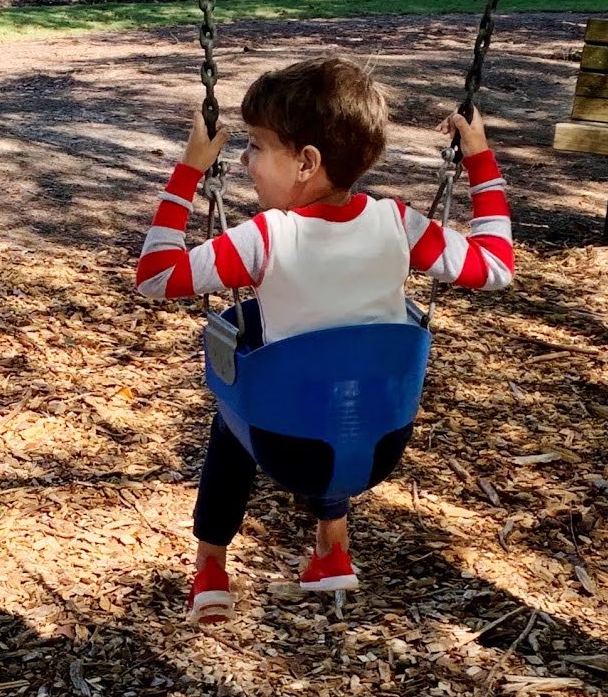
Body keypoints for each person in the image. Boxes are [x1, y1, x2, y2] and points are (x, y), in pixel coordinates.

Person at [135, 57, 513, 622]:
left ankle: (210, 569)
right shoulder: (400, 223)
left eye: (257, 146)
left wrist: (190, 168)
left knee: (232, 417)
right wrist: (479, 157)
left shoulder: (266, 237)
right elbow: (497, 265)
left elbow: (155, 276)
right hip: (380, 445)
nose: (244, 161)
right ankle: (331, 550)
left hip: (287, 449)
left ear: (306, 163)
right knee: (338, 387)